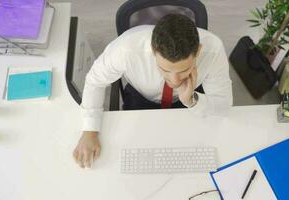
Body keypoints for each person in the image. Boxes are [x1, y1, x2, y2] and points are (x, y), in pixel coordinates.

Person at [73, 14, 233, 168]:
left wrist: (192, 100)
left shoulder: (213, 49)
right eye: (165, 69)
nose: (175, 81)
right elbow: (95, 81)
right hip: (140, 98)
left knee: (193, 150)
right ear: (153, 50)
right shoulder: (126, 49)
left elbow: (224, 105)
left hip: (188, 98)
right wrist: (90, 131)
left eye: (184, 70)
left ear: (198, 51)